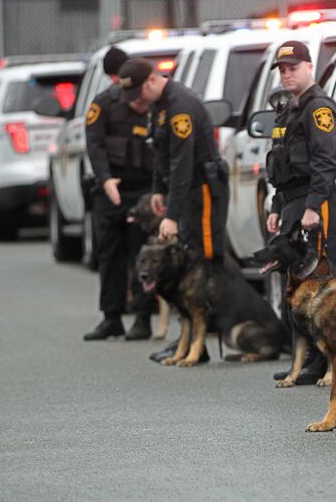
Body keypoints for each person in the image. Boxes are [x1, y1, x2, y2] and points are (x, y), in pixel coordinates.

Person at [117, 57, 229, 361]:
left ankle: (206, 337)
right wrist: (158, 190)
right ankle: (191, 338)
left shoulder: (180, 105)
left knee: (202, 263)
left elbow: (182, 164)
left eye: (138, 94)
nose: (136, 102)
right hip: (184, 189)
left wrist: (171, 216)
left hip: (201, 190)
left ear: (152, 80)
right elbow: (161, 153)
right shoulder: (160, 104)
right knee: (188, 265)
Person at [265, 41, 336, 386]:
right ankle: (309, 359)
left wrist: (313, 206)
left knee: (323, 285)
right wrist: (276, 207)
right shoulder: (290, 109)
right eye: (282, 69)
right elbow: (281, 164)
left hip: (317, 203)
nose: (287, 74)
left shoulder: (318, 108)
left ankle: (330, 362)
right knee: (298, 285)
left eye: (293, 68)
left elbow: (325, 163)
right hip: (293, 203)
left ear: (309, 67)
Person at [84, 47, 155, 341]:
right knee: (109, 255)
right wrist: (104, 179)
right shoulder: (102, 105)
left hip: (143, 189)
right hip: (111, 190)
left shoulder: (150, 103)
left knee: (142, 255)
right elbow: (94, 144)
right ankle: (111, 317)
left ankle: (142, 318)